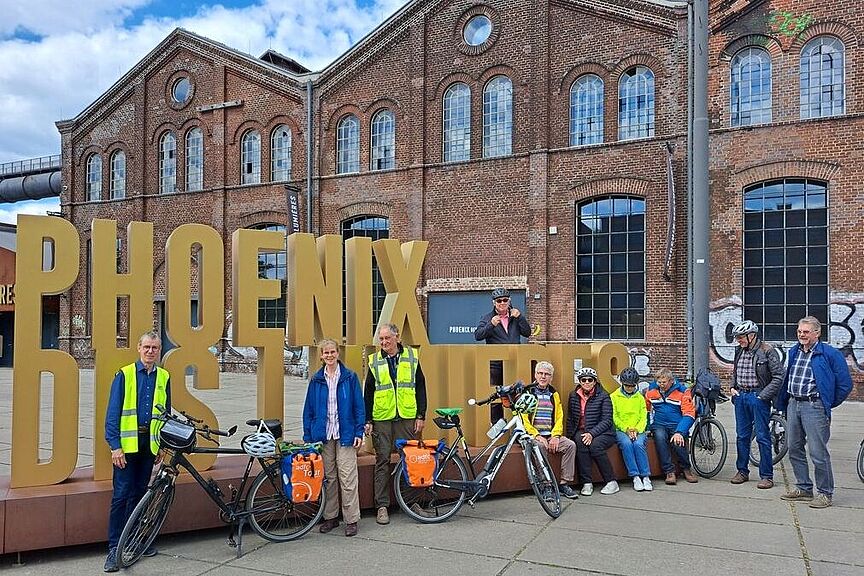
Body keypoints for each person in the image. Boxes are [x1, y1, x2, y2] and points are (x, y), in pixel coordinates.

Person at [104, 331, 171, 573]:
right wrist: (115, 446)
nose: (150, 351)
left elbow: (165, 414)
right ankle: (114, 548)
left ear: (159, 350)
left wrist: (162, 445)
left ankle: (133, 541)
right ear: (138, 348)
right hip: (126, 446)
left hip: (148, 445)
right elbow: (113, 413)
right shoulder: (125, 374)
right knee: (121, 495)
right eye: (146, 347)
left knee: (140, 494)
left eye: (155, 348)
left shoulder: (164, 376)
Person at [776, 316, 852, 509]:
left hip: (814, 406)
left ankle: (825, 493)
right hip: (794, 404)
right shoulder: (794, 351)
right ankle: (803, 487)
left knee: (818, 452)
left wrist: (825, 402)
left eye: (806, 332)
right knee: (793, 448)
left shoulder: (829, 354)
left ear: (817, 333)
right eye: (800, 331)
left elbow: (845, 384)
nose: (802, 335)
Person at [364, 323, 427, 525]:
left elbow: (421, 387)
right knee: (381, 461)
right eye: (381, 339)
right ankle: (382, 506)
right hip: (382, 418)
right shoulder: (374, 361)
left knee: (410, 461)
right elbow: (368, 392)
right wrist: (368, 420)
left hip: (407, 417)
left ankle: (411, 502)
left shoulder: (411, 356)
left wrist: (421, 415)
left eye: (387, 338)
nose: (384, 343)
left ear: (397, 337)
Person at [302, 339, 365, 537]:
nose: (329, 355)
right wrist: (308, 435)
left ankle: (351, 519)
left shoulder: (349, 377)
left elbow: (358, 406)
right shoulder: (316, 380)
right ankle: (331, 517)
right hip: (324, 436)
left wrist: (359, 432)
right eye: (326, 353)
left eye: (332, 352)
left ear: (338, 353)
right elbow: (309, 409)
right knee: (329, 478)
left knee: (347, 477)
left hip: (345, 434)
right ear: (321, 356)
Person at [728, 320, 784, 489]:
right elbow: (736, 371)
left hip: (757, 397)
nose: (738, 340)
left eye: (740, 337)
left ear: (751, 335)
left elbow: (778, 377)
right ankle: (742, 471)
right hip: (741, 397)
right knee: (742, 436)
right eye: (737, 337)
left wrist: (763, 396)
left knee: (762, 437)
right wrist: (732, 387)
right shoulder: (739, 350)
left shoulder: (767, 351)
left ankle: (767, 476)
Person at [520, 361, 579, 499]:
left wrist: (556, 436)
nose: (543, 376)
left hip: (550, 435)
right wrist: (536, 435)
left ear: (551, 377)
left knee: (570, 445)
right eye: (540, 373)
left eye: (547, 374)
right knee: (540, 448)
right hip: (534, 436)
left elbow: (559, 417)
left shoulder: (554, 393)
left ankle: (564, 484)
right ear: (535, 375)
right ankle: (546, 485)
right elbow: (524, 419)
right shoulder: (528, 392)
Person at [474, 288, 531, 424]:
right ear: (494, 303)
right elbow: (478, 336)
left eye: (505, 300)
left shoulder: (515, 316)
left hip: (514, 361)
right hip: (496, 365)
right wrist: (491, 325)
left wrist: (520, 317)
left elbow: (527, 332)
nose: (502, 303)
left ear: (509, 300)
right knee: (497, 396)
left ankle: (519, 426)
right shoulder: (487, 318)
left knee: (517, 395)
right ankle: (497, 424)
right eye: (499, 301)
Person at [566, 367, 619, 496]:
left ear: (595, 381)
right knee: (579, 442)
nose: (587, 382)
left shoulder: (603, 396)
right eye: (583, 380)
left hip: (604, 432)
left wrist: (592, 434)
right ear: (580, 381)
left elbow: (607, 420)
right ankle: (586, 483)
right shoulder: (573, 396)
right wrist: (569, 436)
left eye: (590, 380)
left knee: (595, 446)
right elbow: (571, 418)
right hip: (582, 430)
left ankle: (611, 481)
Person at [644, 368, 698, 485]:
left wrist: (680, 431)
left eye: (664, 382)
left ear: (671, 381)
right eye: (659, 382)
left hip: (677, 424)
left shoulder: (683, 391)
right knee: (660, 437)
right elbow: (645, 409)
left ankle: (686, 468)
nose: (661, 385)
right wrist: (646, 427)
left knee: (678, 441)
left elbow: (689, 413)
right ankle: (669, 471)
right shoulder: (651, 391)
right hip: (659, 424)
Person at [610, 367, 652, 492]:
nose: (629, 388)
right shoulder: (614, 397)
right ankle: (635, 476)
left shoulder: (639, 398)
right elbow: (614, 416)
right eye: (627, 385)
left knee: (639, 444)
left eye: (632, 386)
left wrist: (637, 430)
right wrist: (626, 429)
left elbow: (643, 416)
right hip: (621, 430)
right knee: (627, 444)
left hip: (637, 430)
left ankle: (645, 476)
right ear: (622, 383)